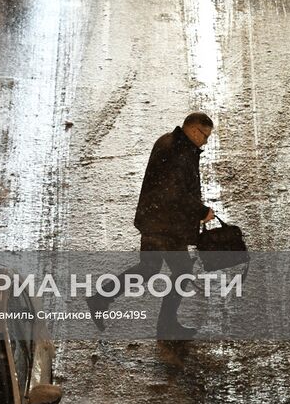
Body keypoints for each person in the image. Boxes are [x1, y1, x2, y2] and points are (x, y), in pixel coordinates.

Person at [88, 112, 215, 339]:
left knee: (148, 267)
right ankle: (166, 327)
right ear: (194, 130)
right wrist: (202, 211)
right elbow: (176, 194)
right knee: (182, 271)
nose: (205, 141)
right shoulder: (180, 153)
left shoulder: (168, 140)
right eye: (205, 136)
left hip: (153, 219)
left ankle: (100, 298)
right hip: (166, 226)